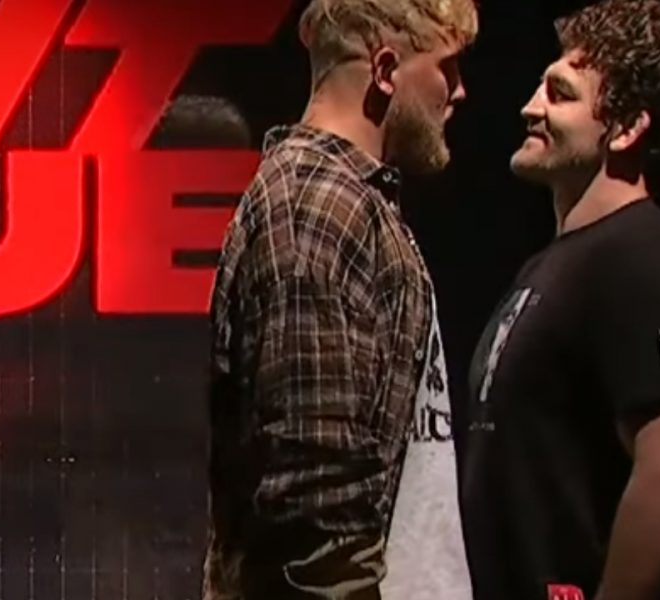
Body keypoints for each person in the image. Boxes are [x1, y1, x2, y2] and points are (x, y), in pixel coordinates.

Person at [202, 1, 478, 598]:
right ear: (386, 71)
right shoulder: (316, 206)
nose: (459, 91)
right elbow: (316, 511)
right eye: (448, 67)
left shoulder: (350, 202)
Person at [460, 1, 660, 599]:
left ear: (626, 127)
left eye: (560, 94)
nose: (529, 108)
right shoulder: (553, 265)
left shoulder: (650, 260)